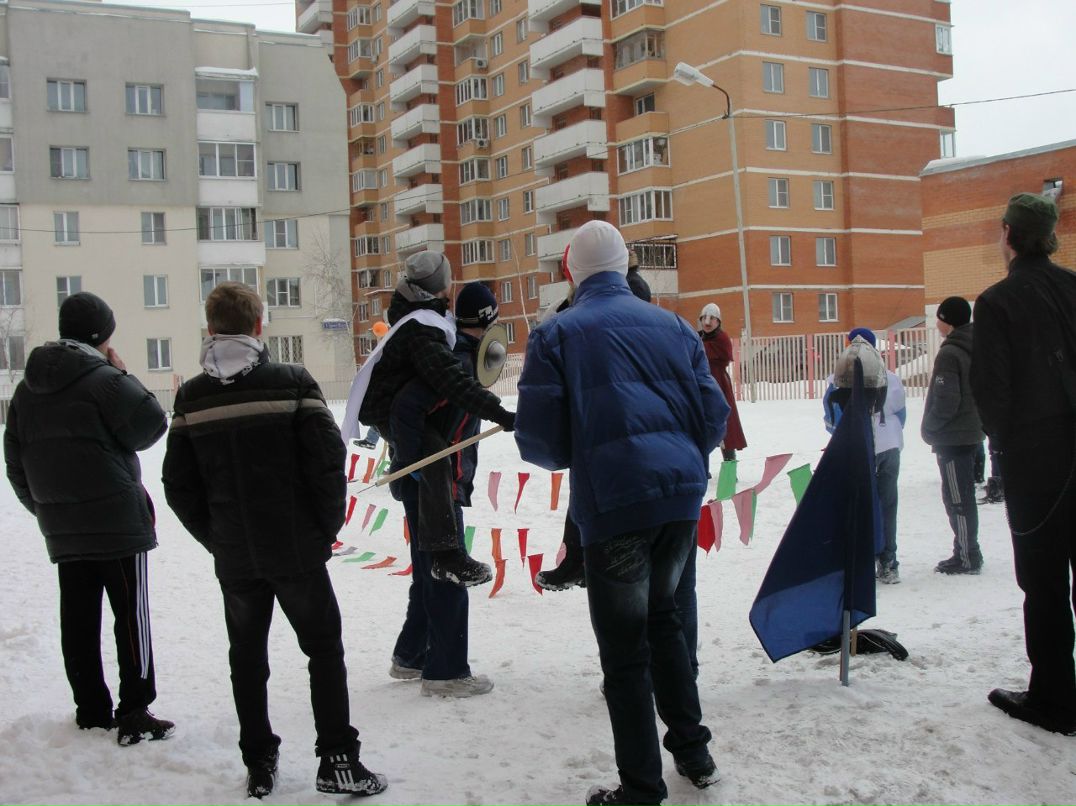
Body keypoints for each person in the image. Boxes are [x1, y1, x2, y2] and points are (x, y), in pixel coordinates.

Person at [515, 220, 730, 805]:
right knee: (665, 621)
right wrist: (679, 457)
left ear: (571, 272)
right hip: (680, 496)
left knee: (625, 650)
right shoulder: (677, 327)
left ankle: (640, 789)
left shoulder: (557, 334)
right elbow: (714, 416)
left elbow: (539, 444)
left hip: (614, 503)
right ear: (625, 264)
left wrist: (589, 446)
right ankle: (694, 751)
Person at [162, 283, 387, 798]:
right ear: (260, 325)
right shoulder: (291, 382)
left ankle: (259, 762)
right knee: (324, 650)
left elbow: (179, 484)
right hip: (296, 551)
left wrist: (218, 538)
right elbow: (328, 462)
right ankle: (338, 761)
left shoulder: (192, 396)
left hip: (238, 556)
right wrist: (323, 529)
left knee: (247, 655)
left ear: (211, 329)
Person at [4, 292, 174, 747]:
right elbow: (152, 425)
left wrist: (45, 508)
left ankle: (91, 710)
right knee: (130, 616)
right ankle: (135, 709)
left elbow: (14, 460)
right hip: (117, 521)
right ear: (103, 335)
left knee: (77, 617)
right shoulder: (103, 380)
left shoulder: (26, 389)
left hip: (62, 526)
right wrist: (121, 372)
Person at [971, 192, 1076, 736]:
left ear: (1009, 235)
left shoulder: (998, 302)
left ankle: (1055, 700)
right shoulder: (1074, 286)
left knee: (1045, 582)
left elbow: (993, 394)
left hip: (1041, 465)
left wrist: (1008, 449)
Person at [346, 251, 516, 587]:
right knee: (435, 460)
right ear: (441, 286)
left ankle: (406, 476)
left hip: (401, 410)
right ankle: (447, 556)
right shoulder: (422, 330)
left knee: (427, 458)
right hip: (393, 410)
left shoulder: (423, 316)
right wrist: (501, 414)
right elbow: (452, 383)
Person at [387, 282, 500, 698]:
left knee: (429, 568)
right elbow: (407, 408)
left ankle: (412, 656)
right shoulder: (457, 362)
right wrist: (418, 469)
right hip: (436, 483)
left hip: (432, 481)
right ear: (489, 320)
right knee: (448, 572)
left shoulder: (456, 355)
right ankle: (447, 672)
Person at [823, 327, 907, 583]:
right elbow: (901, 417)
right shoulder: (891, 379)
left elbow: (832, 420)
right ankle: (888, 561)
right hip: (890, 447)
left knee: (858, 505)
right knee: (887, 504)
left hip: (857, 450)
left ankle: (859, 562)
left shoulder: (836, 380)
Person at [922, 296, 984, 575]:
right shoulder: (975, 345)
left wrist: (931, 427)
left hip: (954, 436)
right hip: (971, 431)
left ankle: (967, 555)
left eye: (939, 318)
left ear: (948, 321)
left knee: (957, 499)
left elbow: (946, 399)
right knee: (963, 496)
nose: (937, 323)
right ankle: (967, 550)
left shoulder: (950, 353)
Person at [698, 303, 746, 461]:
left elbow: (714, 353)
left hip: (718, 384)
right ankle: (702, 466)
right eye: (705, 318)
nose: (707, 322)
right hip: (701, 385)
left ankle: (730, 465)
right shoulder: (698, 337)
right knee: (701, 425)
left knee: (726, 425)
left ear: (718, 321)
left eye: (712, 318)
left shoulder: (722, 338)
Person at [354, 322, 390, 450]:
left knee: (379, 416)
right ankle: (372, 440)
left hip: (386, 388)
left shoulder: (387, 348)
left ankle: (372, 440)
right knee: (377, 416)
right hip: (383, 387)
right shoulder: (384, 347)